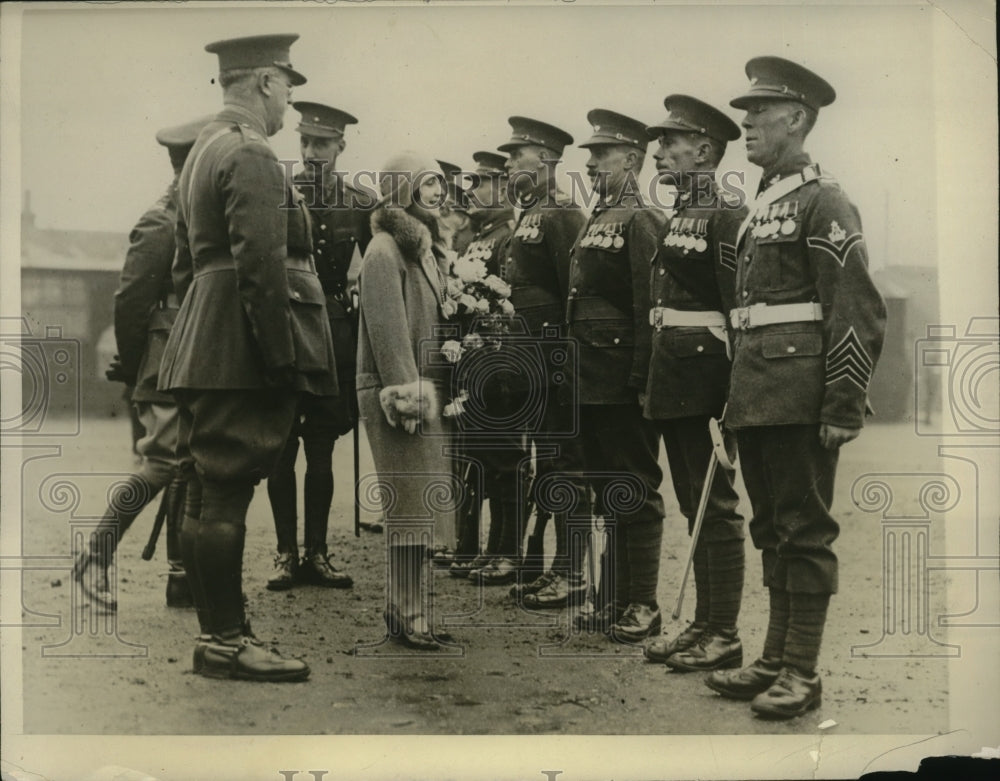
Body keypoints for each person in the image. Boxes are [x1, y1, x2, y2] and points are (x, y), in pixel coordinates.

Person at [705, 57, 887, 717]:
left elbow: (856, 308)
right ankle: (775, 658)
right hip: (759, 392)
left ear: (798, 118)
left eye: (760, 111)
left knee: (804, 531)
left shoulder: (823, 198)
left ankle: (803, 673)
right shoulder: (765, 203)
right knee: (771, 529)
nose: (746, 121)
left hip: (804, 396)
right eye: (745, 111)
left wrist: (843, 402)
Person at [158, 34, 337, 682]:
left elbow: (185, 264)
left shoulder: (204, 150)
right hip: (240, 346)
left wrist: (205, 330)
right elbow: (262, 267)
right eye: (288, 86)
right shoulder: (251, 152)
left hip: (206, 339)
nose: (290, 103)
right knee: (227, 496)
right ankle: (228, 642)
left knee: (208, 492)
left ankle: (219, 633)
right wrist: (279, 358)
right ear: (264, 81)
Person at [73, 115, 211, 612]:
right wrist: (135, 372)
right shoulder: (161, 221)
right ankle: (94, 559)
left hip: (195, 359)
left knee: (188, 468)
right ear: (191, 164)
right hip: (165, 362)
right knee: (163, 462)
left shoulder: (197, 216)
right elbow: (130, 305)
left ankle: (181, 577)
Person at [640, 95, 748, 670]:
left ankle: (723, 632)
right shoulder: (684, 213)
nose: (658, 152)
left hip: (707, 379)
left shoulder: (727, 214)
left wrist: (734, 393)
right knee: (694, 504)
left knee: (716, 506)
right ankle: (703, 624)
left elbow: (738, 308)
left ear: (703, 150)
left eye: (669, 142)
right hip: (676, 375)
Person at [563, 110, 666, 641]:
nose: (591, 162)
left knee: (636, 490)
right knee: (607, 491)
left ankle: (642, 603)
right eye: (590, 155)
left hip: (621, 380)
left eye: (600, 154)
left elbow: (652, 305)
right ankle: (612, 598)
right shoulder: (598, 218)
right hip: (590, 378)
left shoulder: (642, 219)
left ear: (631, 159)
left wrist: (644, 381)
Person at [264, 101, 372, 591]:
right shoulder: (276, 195)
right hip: (289, 326)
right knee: (282, 448)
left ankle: (318, 554)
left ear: (341, 147)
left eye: (322, 144)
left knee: (323, 447)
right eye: (304, 142)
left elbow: (379, 269)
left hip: (334, 335)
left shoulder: (360, 202)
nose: (311, 153)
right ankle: (286, 555)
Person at [355, 151, 456, 650]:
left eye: (439, 184)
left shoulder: (423, 248)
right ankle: (409, 613)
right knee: (411, 509)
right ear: (403, 190)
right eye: (427, 184)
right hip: (399, 393)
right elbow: (388, 330)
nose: (439, 192)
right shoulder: (384, 250)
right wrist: (406, 397)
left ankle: (404, 609)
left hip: (421, 393)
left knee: (416, 507)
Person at [490, 117, 588, 591]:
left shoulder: (562, 213)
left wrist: (565, 364)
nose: (508, 164)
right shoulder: (531, 214)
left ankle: (569, 571)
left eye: (516, 155)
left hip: (554, 362)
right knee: (541, 462)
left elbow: (574, 293)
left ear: (546, 159)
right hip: (528, 362)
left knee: (562, 464)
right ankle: (539, 565)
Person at [446, 152, 527, 580]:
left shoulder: (508, 234)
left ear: (503, 187)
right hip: (470, 357)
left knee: (505, 456)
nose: (471, 190)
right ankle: (490, 548)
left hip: (499, 359)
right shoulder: (473, 236)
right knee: (480, 454)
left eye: (481, 182)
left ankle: (509, 550)